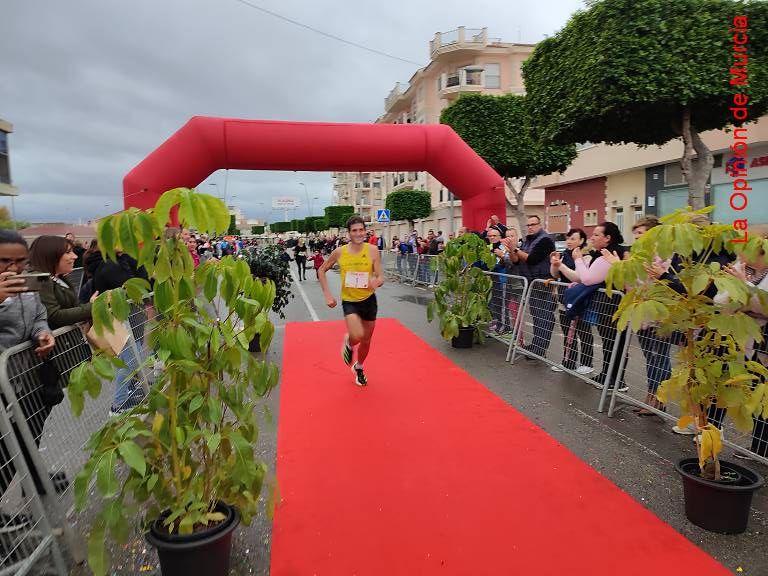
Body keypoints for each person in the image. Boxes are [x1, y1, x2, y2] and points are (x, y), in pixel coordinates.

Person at [0, 230, 58, 542]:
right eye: (4, 261)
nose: (13, 268)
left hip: (20, 380)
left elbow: (38, 318)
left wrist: (42, 334)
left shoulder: (27, 286)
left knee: (13, 450)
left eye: (20, 261)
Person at [318, 216, 384, 386]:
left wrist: (375, 282)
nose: (358, 233)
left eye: (361, 230)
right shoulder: (340, 252)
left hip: (369, 300)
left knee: (366, 340)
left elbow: (380, 276)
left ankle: (359, 367)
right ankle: (349, 341)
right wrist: (327, 294)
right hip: (350, 302)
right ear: (348, 233)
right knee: (357, 335)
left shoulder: (373, 250)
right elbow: (321, 270)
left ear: (365, 231)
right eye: (354, 230)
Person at [549, 228, 595, 375]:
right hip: (564, 299)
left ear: (581, 241)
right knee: (566, 332)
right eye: (568, 238)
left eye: (573, 239)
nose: (569, 241)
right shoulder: (563, 255)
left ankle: (587, 363)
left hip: (580, 299)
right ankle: (568, 361)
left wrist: (562, 266)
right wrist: (555, 264)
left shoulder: (587, 257)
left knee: (583, 331)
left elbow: (578, 277)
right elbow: (555, 275)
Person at [509, 215, 556, 357]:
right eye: (528, 225)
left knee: (544, 317)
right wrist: (512, 250)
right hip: (531, 282)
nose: (530, 227)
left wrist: (515, 249)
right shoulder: (527, 241)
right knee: (536, 316)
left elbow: (532, 259)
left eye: (533, 224)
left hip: (543, 282)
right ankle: (536, 345)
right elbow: (516, 261)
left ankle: (540, 349)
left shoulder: (545, 240)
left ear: (540, 225)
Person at [29, 235, 96, 330]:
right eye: (68, 252)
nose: (75, 256)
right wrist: (92, 307)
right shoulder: (41, 279)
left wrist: (90, 305)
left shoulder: (59, 277)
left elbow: (74, 306)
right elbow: (54, 316)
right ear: (51, 255)